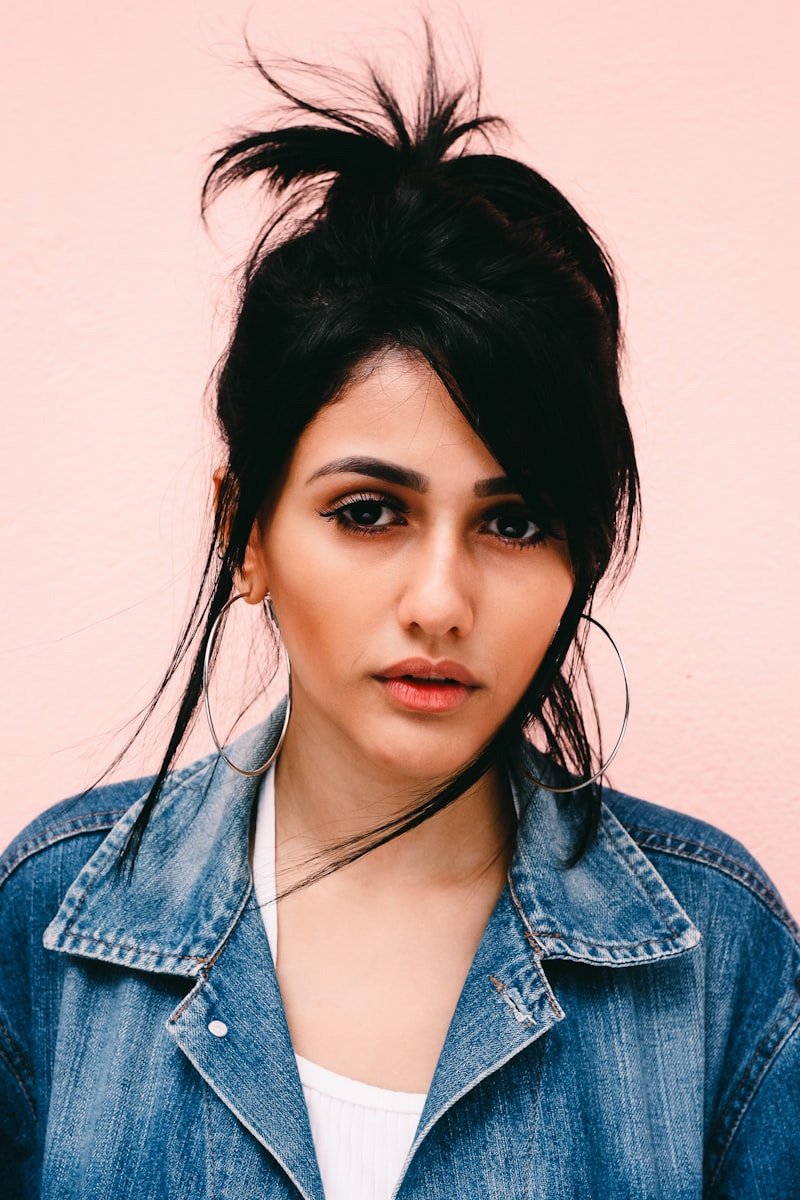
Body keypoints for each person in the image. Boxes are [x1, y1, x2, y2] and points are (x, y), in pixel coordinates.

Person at [1, 40, 798, 1200]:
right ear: (249, 535)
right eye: (369, 511)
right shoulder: (51, 931)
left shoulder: (716, 957)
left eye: (515, 522)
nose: (440, 602)